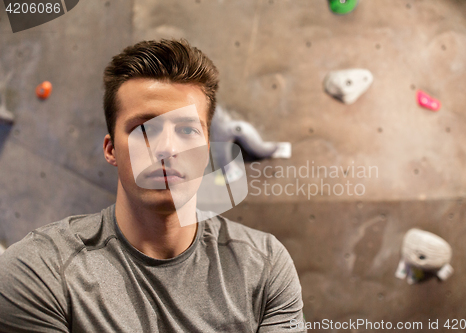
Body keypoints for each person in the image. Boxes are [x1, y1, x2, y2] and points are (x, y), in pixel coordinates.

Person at [0, 39, 305, 332]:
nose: (167, 148)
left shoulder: (263, 265)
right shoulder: (41, 269)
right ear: (111, 150)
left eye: (187, 129)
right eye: (144, 129)